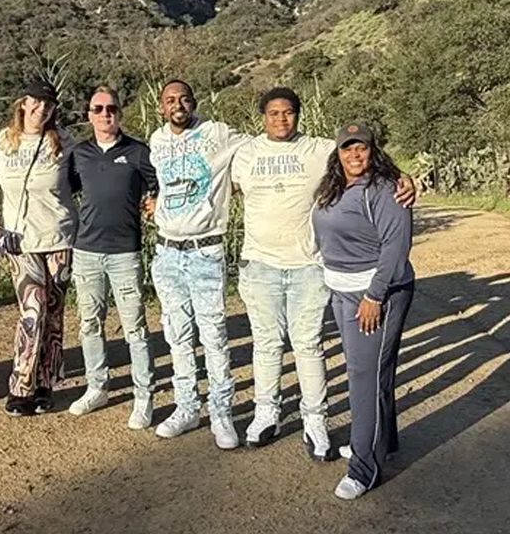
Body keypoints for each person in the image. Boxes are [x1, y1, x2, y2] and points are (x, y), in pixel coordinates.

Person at [231, 88, 414, 460]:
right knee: (266, 344)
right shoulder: (244, 153)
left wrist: (404, 178)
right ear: (262, 117)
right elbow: (214, 187)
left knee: (308, 346)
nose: (281, 119)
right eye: (273, 113)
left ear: (297, 115)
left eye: (288, 112)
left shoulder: (319, 150)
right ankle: (267, 413)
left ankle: (315, 420)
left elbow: (364, 161)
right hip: (259, 262)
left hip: (308, 265)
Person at [313, 124, 415, 500]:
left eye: (362, 148)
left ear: (373, 151)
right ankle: (379, 442)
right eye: (347, 149)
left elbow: (395, 246)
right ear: (337, 154)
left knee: (363, 376)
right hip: (342, 290)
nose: (354, 155)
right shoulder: (334, 186)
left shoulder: (386, 190)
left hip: (376, 294)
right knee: (374, 373)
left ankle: (364, 468)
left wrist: (374, 296)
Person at [148, 79, 249, 450]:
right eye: (170, 100)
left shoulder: (217, 133)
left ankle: (222, 413)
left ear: (194, 102)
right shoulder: (157, 141)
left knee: (214, 336)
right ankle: (187, 407)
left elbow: (258, 152)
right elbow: (161, 184)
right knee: (177, 334)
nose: (178, 104)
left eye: (184, 98)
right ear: (161, 107)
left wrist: (233, 187)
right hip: (166, 252)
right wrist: (156, 205)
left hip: (205, 251)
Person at [67, 86, 158, 429]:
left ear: (120, 113)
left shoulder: (138, 152)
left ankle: (144, 395)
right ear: (89, 114)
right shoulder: (79, 154)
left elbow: (159, 184)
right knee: (90, 324)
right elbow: (65, 189)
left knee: (134, 326)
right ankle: (97, 386)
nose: (106, 114)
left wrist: (154, 203)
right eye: (98, 108)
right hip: (86, 250)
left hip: (125, 252)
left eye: (112, 108)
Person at [0, 78, 79, 417]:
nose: (42, 108)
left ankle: (46, 382)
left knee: (54, 314)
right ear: (23, 104)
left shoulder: (63, 142)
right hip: (21, 241)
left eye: (49, 103)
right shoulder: (3, 142)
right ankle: (20, 385)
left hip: (58, 236)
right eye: (36, 102)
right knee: (34, 310)